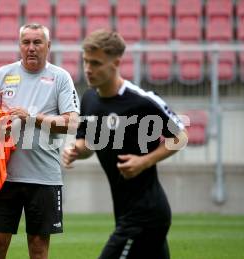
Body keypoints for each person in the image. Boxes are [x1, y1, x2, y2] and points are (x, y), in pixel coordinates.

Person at [62, 30, 188, 259]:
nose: (88, 69)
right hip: (124, 211)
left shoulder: (141, 101)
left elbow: (180, 136)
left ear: (116, 63)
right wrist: (76, 150)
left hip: (146, 214)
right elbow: (88, 144)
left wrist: (144, 161)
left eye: (96, 63)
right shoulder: (89, 99)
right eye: (85, 62)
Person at [0, 23, 80, 259]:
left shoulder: (60, 78)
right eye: (26, 42)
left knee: (38, 247)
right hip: (4, 176)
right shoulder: (3, 75)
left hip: (44, 177)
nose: (31, 48)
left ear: (49, 46)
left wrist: (33, 118)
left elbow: (72, 123)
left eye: (37, 42)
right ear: (19, 46)